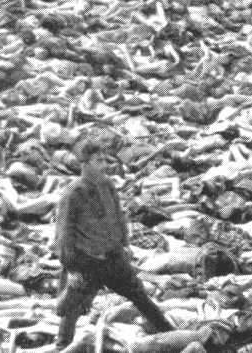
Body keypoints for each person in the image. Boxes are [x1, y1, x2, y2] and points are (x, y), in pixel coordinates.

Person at [52, 138, 174, 350]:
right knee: (71, 310)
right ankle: (62, 346)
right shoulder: (73, 193)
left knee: (140, 296)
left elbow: (118, 216)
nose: (104, 165)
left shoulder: (107, 185)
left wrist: (125, 244)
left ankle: (170, 334)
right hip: (87, 262)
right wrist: (71, 268)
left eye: (104, 160)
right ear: (84, 164)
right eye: (98, 161)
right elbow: (64, 234)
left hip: (113, 258)